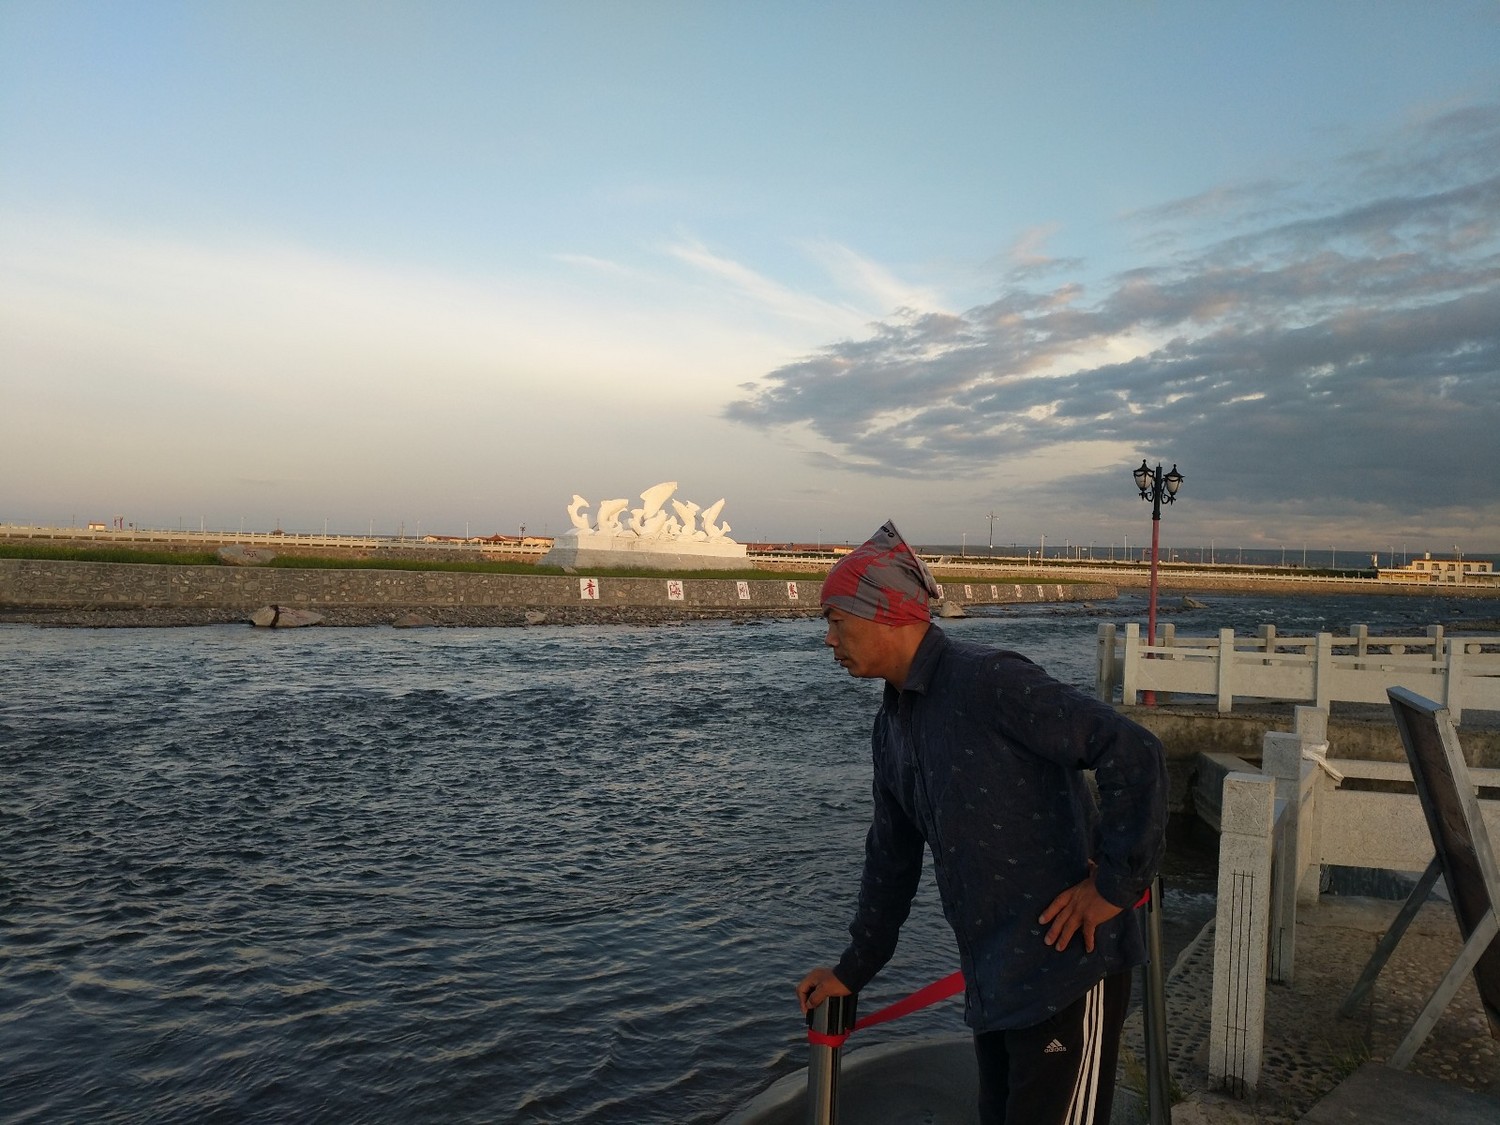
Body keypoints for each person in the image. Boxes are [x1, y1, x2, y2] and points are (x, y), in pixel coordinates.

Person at [796, 521, 1168, 1125]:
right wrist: (853, 970)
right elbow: (890, 860)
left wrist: (1113, 886)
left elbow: (1134, 751)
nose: (828, 638)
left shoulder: (989, 680)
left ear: (886, 612)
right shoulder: (893, 725)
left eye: (836, 620)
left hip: (1069, 972)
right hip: (993, 984)